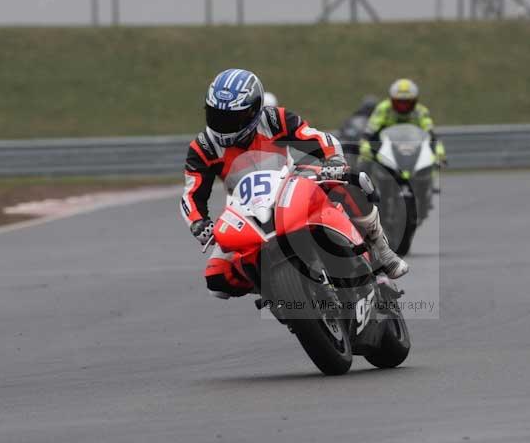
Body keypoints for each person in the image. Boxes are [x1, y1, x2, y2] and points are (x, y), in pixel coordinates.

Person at [180, 68, 408, 299]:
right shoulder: (203, 148)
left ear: (253, 111)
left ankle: (381, 251)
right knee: (217, 280)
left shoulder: (273, 119)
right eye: (216, 115)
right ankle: (277, 293)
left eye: (231, 118)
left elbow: (319, 138)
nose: (222, 124)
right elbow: (191, 194)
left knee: (348, 185)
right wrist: (198, 223)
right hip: (246, 208)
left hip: (292, 183)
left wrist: (333, 161)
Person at [359, 78, 447, 166]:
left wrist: (439, 152)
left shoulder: (420, 112)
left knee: (432, 164)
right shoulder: (383, 109)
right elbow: (370, 130)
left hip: (414, 148)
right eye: (399, 102)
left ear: (414, 101)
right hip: (385, 147)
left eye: (407, 102)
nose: (403, 106)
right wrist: (365, 147)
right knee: (364, 161)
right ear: (392, 100)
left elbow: (431, 133)